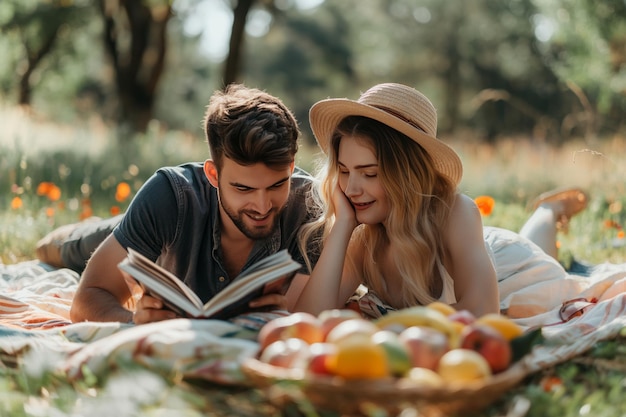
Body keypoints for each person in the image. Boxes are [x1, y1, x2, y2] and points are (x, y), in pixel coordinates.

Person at [292, 82, 590, 319]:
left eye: (369, 173)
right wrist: (343, 225)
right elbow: (307, 319)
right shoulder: (361, 240)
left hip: (511, 272)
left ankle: (548, 210)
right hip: (477, 248)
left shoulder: (456, 211)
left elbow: (482, 311)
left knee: (547, 261)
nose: (352, 188)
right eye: (344, 171)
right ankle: (547, 209)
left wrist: (394, 331)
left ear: (408, 174)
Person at [67, 84, 321, 324]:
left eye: (276, 185)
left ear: (290, 168)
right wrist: (133, 320)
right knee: (62, 248)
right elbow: (86, 300)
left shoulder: (308, 207)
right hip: (140, 230)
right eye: (243, 188)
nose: (263, 205)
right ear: (213, 175)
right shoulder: (168, 196)